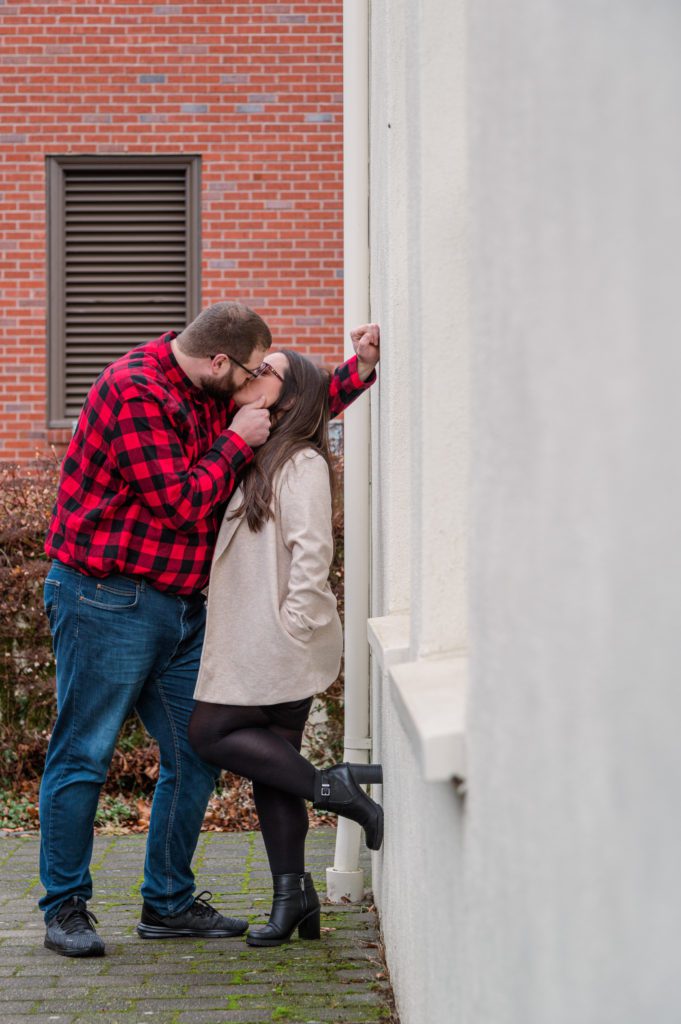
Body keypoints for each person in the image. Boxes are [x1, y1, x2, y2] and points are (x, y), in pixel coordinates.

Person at [40, 301, 378, 957]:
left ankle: (166, 902)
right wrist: (234, 442)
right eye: (250, 370)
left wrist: (358, 369)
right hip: (104, 597)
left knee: (201, 746)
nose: (253, 384)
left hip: (179, 606)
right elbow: (178, 501)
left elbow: (290, 404)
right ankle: (66, 909)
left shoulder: (209, 383)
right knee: (84, 754)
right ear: (220, 361)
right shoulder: (131, 389)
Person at [188, 343, 383, 948]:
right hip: (254, 637)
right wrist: (363, 366)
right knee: (273, 772)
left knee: (208, 734)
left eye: (267, 370)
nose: (254, 373)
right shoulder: (252, 452)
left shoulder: (299, 462)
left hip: (278, 638)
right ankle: (293, 896)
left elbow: (312, 553)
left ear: (291, 397)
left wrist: (293, 624)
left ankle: (336, 788)